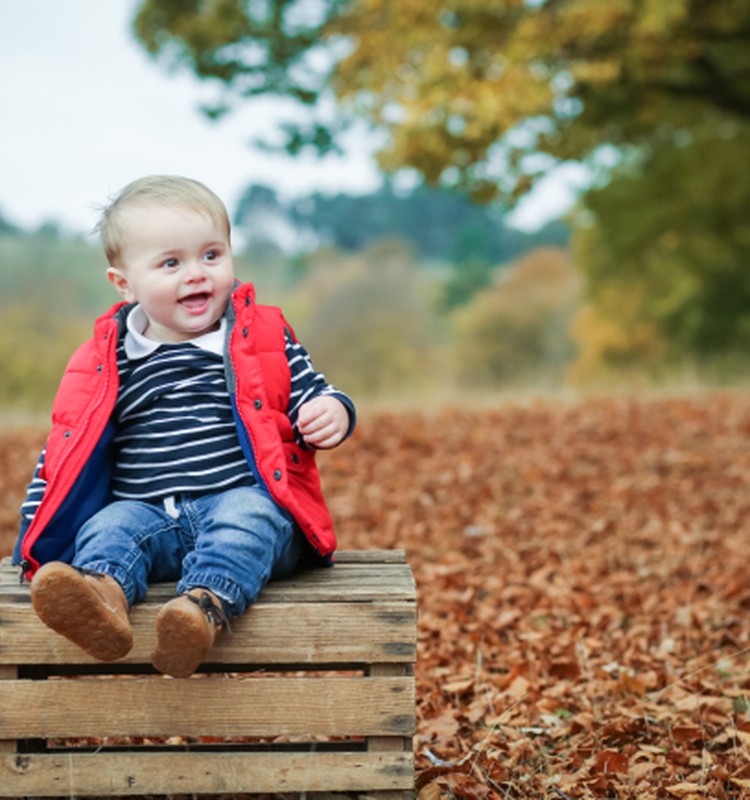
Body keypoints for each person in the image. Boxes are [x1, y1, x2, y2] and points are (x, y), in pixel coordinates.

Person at [13, 175, 355, 678]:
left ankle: (201, 609)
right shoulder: (107, 361)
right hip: (150, 515)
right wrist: (32, 541)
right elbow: (64, 452)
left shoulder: (259, 336)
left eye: (211, 255)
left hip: (239, 505)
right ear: (124, 283)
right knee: (108, 526)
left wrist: (333, 411)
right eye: (171, 263)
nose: (196, 274)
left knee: (250, 515)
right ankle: (102, 597)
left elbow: (312, 390)